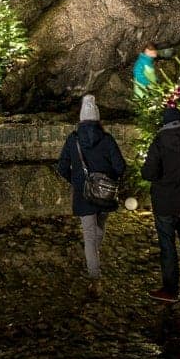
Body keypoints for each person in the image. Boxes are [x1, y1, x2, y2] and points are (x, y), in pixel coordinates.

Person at [57, 94, 126, 297]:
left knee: (89, 236)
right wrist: (109, 179)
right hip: (105, 194)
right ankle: (94, 257)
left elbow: (62, 167)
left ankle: (95, 279)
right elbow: (120, 167)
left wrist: (78, 182)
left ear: (80, 119)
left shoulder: (73, 139)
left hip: (83, 195)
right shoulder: (106, 139)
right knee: (99, 227)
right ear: (98, 119)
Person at [141, 105, 180, 303]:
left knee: (168, 245)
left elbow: (149, 172)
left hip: (165, 201)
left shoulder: (160, 141)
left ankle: (170, 290)